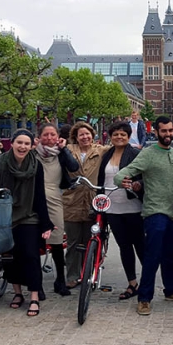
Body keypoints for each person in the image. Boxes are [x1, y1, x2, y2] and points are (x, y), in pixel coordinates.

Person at [114, 116, 173, 316]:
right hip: (153, 211)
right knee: (152, 255)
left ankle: (170, 289)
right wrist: (121, 179)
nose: (168, 134)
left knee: (169, 253)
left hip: (171, 212)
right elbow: (127, 171)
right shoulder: (148, 154)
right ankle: (144, 297)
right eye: (164, 131)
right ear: (156, 132)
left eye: (170, 131)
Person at [0, 129, 54, 316]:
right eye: (19, 143)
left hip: (29, 214)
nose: (22, 147)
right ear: (12, 143)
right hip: (6, 215)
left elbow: (40, 194)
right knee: (10, 255)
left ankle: (33, 295)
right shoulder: (0, 163)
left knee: (31, 254)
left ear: (31, 146)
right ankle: (17, 293)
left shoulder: (36, 165)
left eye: (26, 143)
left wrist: (45, 222)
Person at [97, 121, 145, 300]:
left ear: (128, 136)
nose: (119, 137)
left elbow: (145, 176)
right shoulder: (106, 154)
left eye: (123, 134)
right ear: (111, 136)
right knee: (124, 247)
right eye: (116, 134)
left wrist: (138, 184)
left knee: (140, 245)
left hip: (133, 206)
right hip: (112, 208)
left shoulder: (135, 153)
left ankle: (146, 283)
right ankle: (132, 284)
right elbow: (101, 180)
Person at [34, 123, 79, 296]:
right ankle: (36, 283)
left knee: (57, 240)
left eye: (53, 134)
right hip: (34, 199)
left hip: (54, 198)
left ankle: (60, 279)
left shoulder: (61, 154)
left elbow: (74, 167)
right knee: (34, 241)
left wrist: (64, 149)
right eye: (46, 135)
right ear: (39, 137)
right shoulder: (32, 153)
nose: (49, 138)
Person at [63, 121, 109, 289]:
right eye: (81, 134)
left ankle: (88, 272)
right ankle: (72, 275)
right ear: (76, 136)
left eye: (88, 133)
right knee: (73, 241)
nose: (85, 137)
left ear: (93, 135)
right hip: (72, 200)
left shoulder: (101, 150)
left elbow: (119, 152)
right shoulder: (68, 150)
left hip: (92, 199)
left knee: (89, 239)